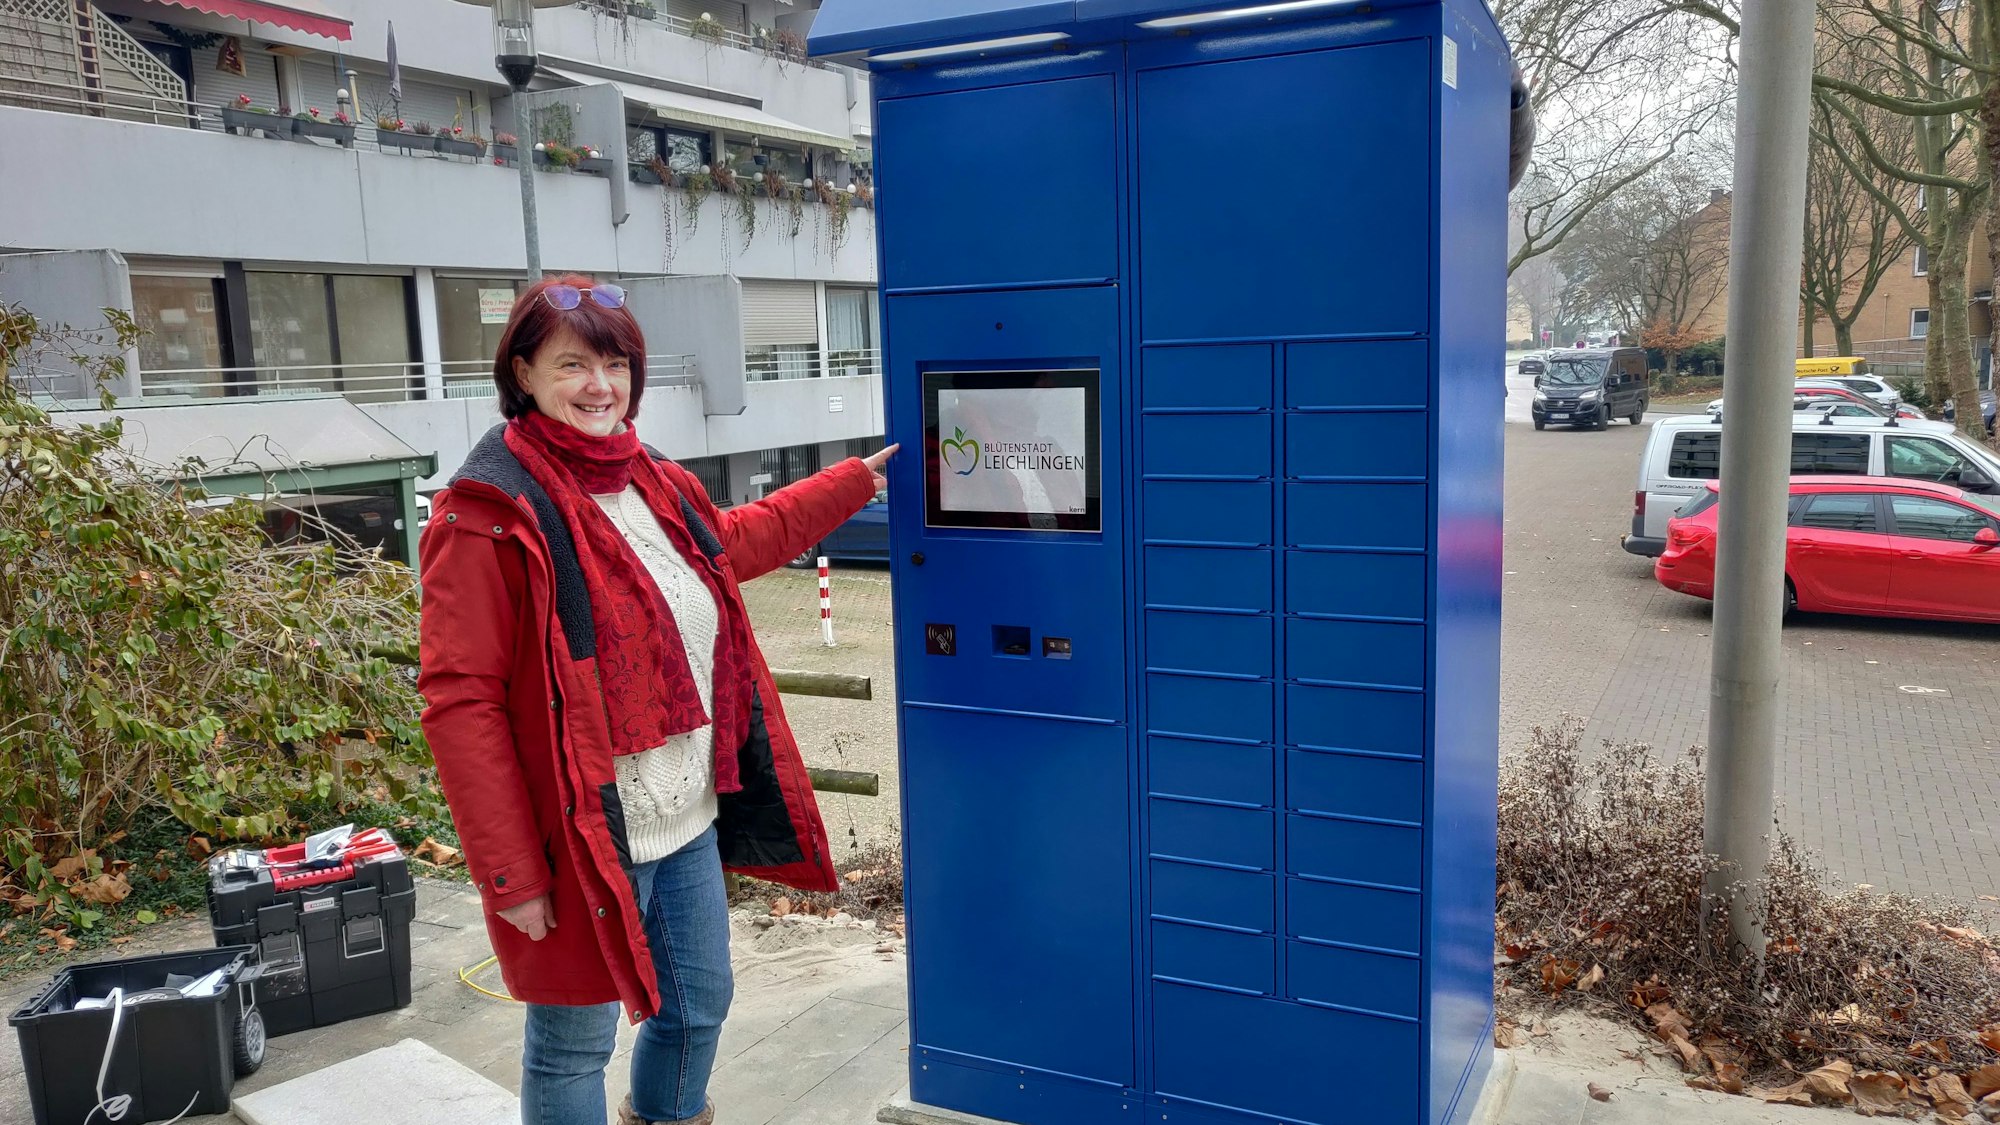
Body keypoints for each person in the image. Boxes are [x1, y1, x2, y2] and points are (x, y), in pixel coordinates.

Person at [417, 274, 896, 1125]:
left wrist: (853, 479)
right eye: (573, 364)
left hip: (684, 818)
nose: (599, 385)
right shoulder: (486, 515)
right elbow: (463, 704)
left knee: (699, 1006)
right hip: (581, 835)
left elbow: (734, 542)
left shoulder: (655, 481)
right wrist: (510, 873)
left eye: (616, 364)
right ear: (522, 372)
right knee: (573, 1045)